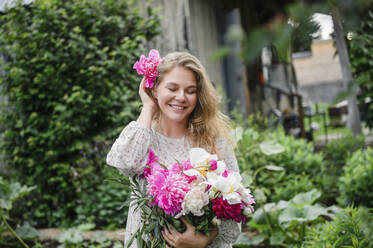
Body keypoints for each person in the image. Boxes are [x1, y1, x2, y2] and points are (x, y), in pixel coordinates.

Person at [106, 51, 241, 248]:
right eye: (172, 88)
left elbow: (234, 210)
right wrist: (148, 107)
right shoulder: (143, 136)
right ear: (155, 89)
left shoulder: (214, 141)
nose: (181, 97)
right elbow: (124, 163)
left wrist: (204, 239)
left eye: (190, 91)